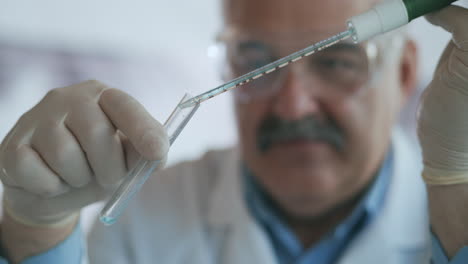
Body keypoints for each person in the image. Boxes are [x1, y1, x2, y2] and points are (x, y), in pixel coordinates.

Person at [0, 0, 468, 263]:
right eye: (256, 63)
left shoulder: (454, 224)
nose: (292, 104)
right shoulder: (145, 217)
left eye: (336, 62)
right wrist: (37, 233)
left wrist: (456, 202)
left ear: (405, 75)